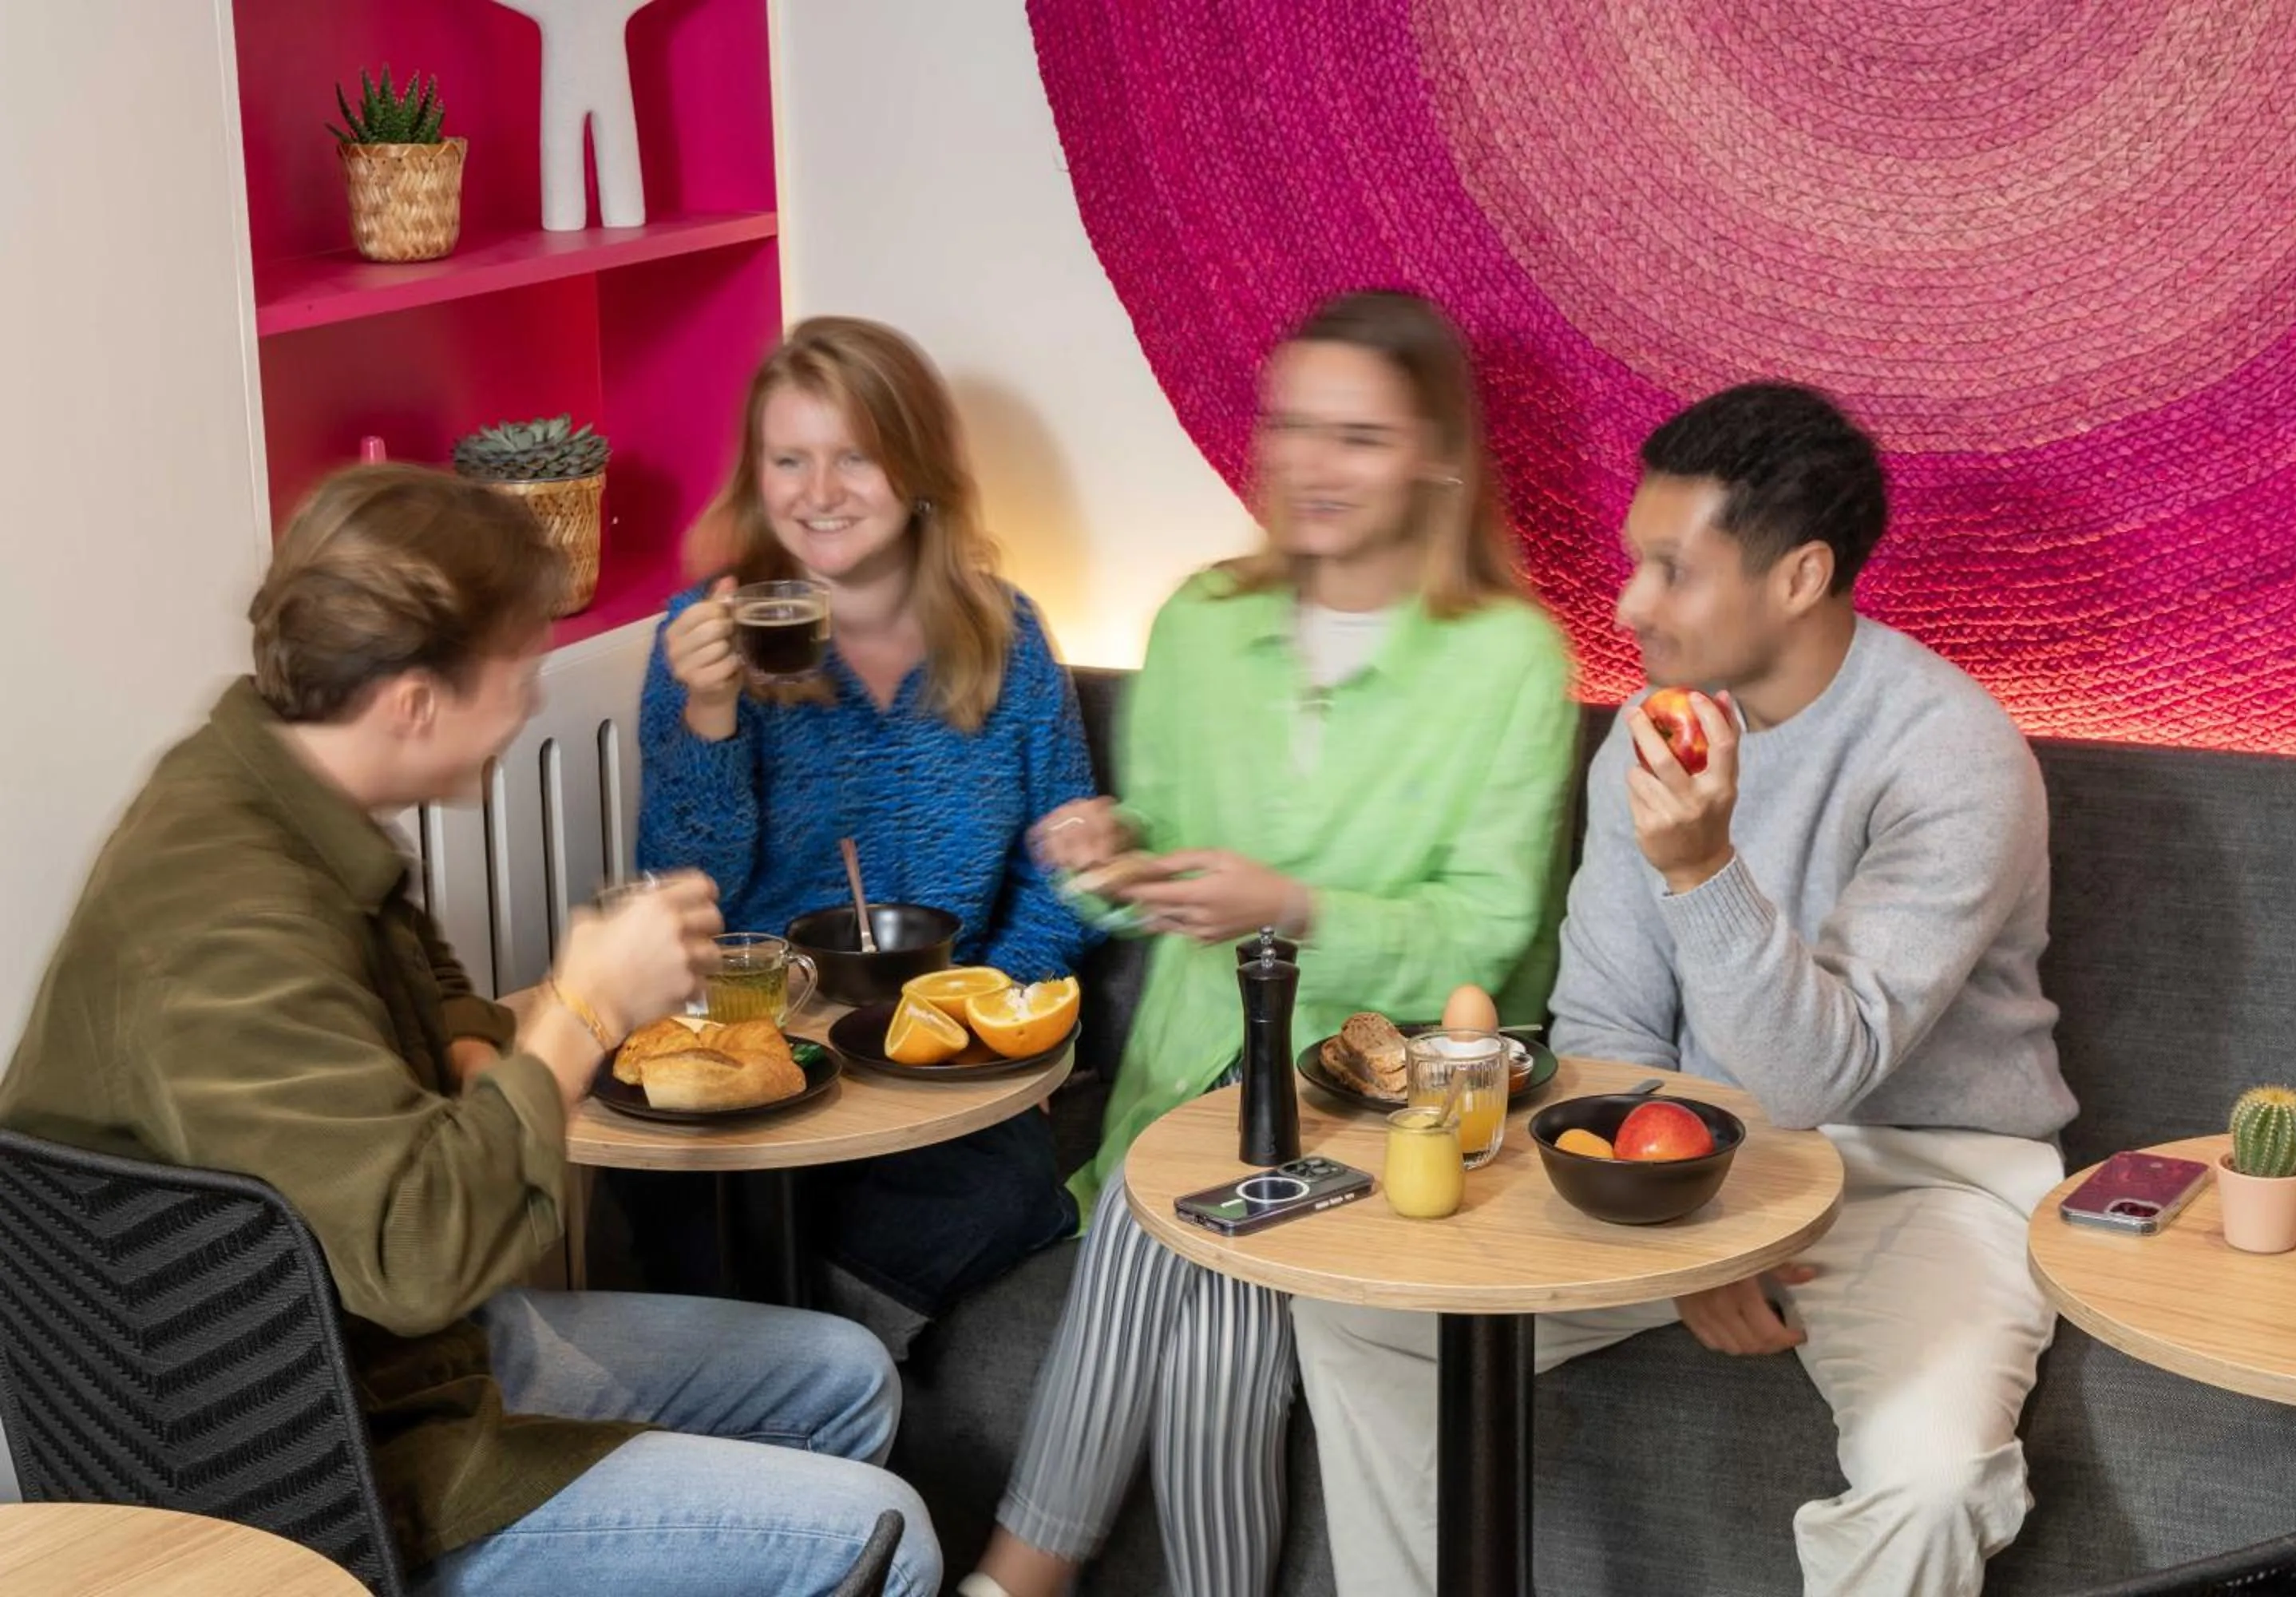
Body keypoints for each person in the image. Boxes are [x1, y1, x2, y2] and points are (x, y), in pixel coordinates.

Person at [0, 465, 940, 1597]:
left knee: (841, 1373)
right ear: (413, 703)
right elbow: (420, 1252)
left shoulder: (257, 789)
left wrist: (482, 1053)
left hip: (386, 1362)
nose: (535, 701)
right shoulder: (226, 921)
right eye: (520, 671)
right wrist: (584, 1012)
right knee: (884, 1531)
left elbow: (421, 974)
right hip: (325, 1465)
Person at [1292, 382, 2080, 1597]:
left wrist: (1703, 868)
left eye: (1672, 570)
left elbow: (1822, 1074)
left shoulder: (1951, 757)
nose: (1628, 605)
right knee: (1361, 1312)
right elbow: (1604, 1029)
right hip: (1686, 1158)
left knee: (1929, 1484)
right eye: (1634, 563)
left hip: (1922, 1180)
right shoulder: (1651, 737)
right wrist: (1690, 1222)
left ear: (1800, 577)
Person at [962, 291, 1580, 1597]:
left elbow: (1492, 937)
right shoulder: (1199, 623)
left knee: (1165, 1212)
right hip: (1198, 1082)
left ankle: (1021, 1574)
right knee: (1214, 1341)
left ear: (1433, 460)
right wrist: (1111, 854)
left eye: (1357, 436)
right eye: (1291, 425)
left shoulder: (1510, 659)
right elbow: (1171, 863)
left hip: (1404, 1104)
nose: (1311, 464)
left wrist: (1287, 907)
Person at [632, 317, 1099, 1341]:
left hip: (933, 1055)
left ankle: (812, 1363)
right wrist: (708, 720)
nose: (819, 491)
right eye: (789, 459)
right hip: (764, 1049)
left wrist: (996, 1018)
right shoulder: (704, 639)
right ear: (758, 477)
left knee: (1005, 1190)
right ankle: (802, 1381)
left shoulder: (1006, 635)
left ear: (918, 468)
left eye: (856, 456)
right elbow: (678, 894)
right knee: (695, 1208)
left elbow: (1066, 866)